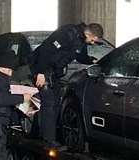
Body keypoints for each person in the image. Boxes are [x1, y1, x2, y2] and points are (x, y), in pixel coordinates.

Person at [29, 22, 103, 151]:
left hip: (54, 72)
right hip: (43, 68)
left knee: (56, 102)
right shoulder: (66, 34)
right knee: (49, 102)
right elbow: (45, 51)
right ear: (88, 33)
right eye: (92, 40)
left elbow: (81, 56)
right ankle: (49, 140)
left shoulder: (80, 41)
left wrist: (91, 60)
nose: (92, 43)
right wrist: (41, 73)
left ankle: (46, 133)